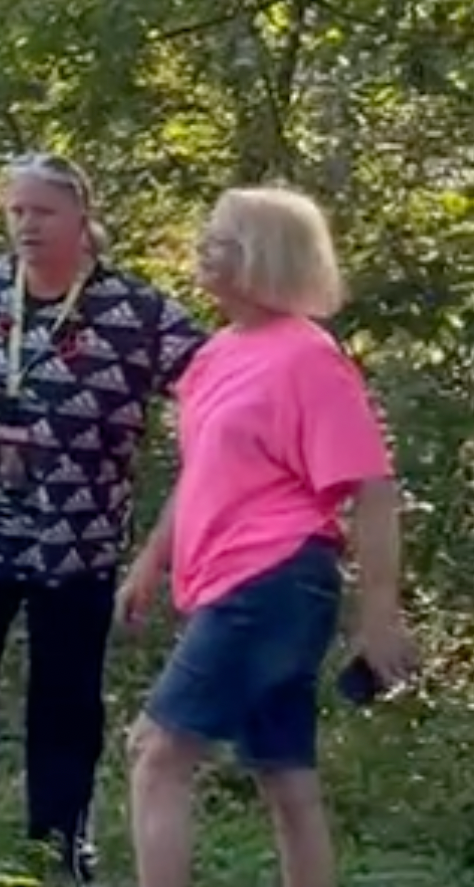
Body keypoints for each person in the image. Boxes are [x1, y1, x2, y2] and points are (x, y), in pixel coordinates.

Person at [0, 154, 207, 880]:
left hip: (77, 540)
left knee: (66, 693)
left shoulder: (139, 312)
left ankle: (57, 843)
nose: (26, 224)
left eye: (42, 211)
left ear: (82, 218)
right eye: (15, 210)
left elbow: (218, 393)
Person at [121, 186, 413, 887]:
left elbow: (372, 488)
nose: (202, 248)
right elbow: (204, 478)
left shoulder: (309, 358)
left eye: (220, 239)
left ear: (262, 257)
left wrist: (379, 615)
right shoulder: (215, 356)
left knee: (155, 752)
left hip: (275, 580)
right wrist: (149, 562)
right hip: (234, 581)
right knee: (285, 777)